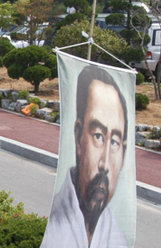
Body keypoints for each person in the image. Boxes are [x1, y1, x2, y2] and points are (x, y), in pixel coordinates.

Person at [41, 66, 129, 248]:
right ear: (78, 136)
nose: (105, 164)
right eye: (98, 136)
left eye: (114, 142)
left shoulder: (118, 238)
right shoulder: (56, 231)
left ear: (124, 151)